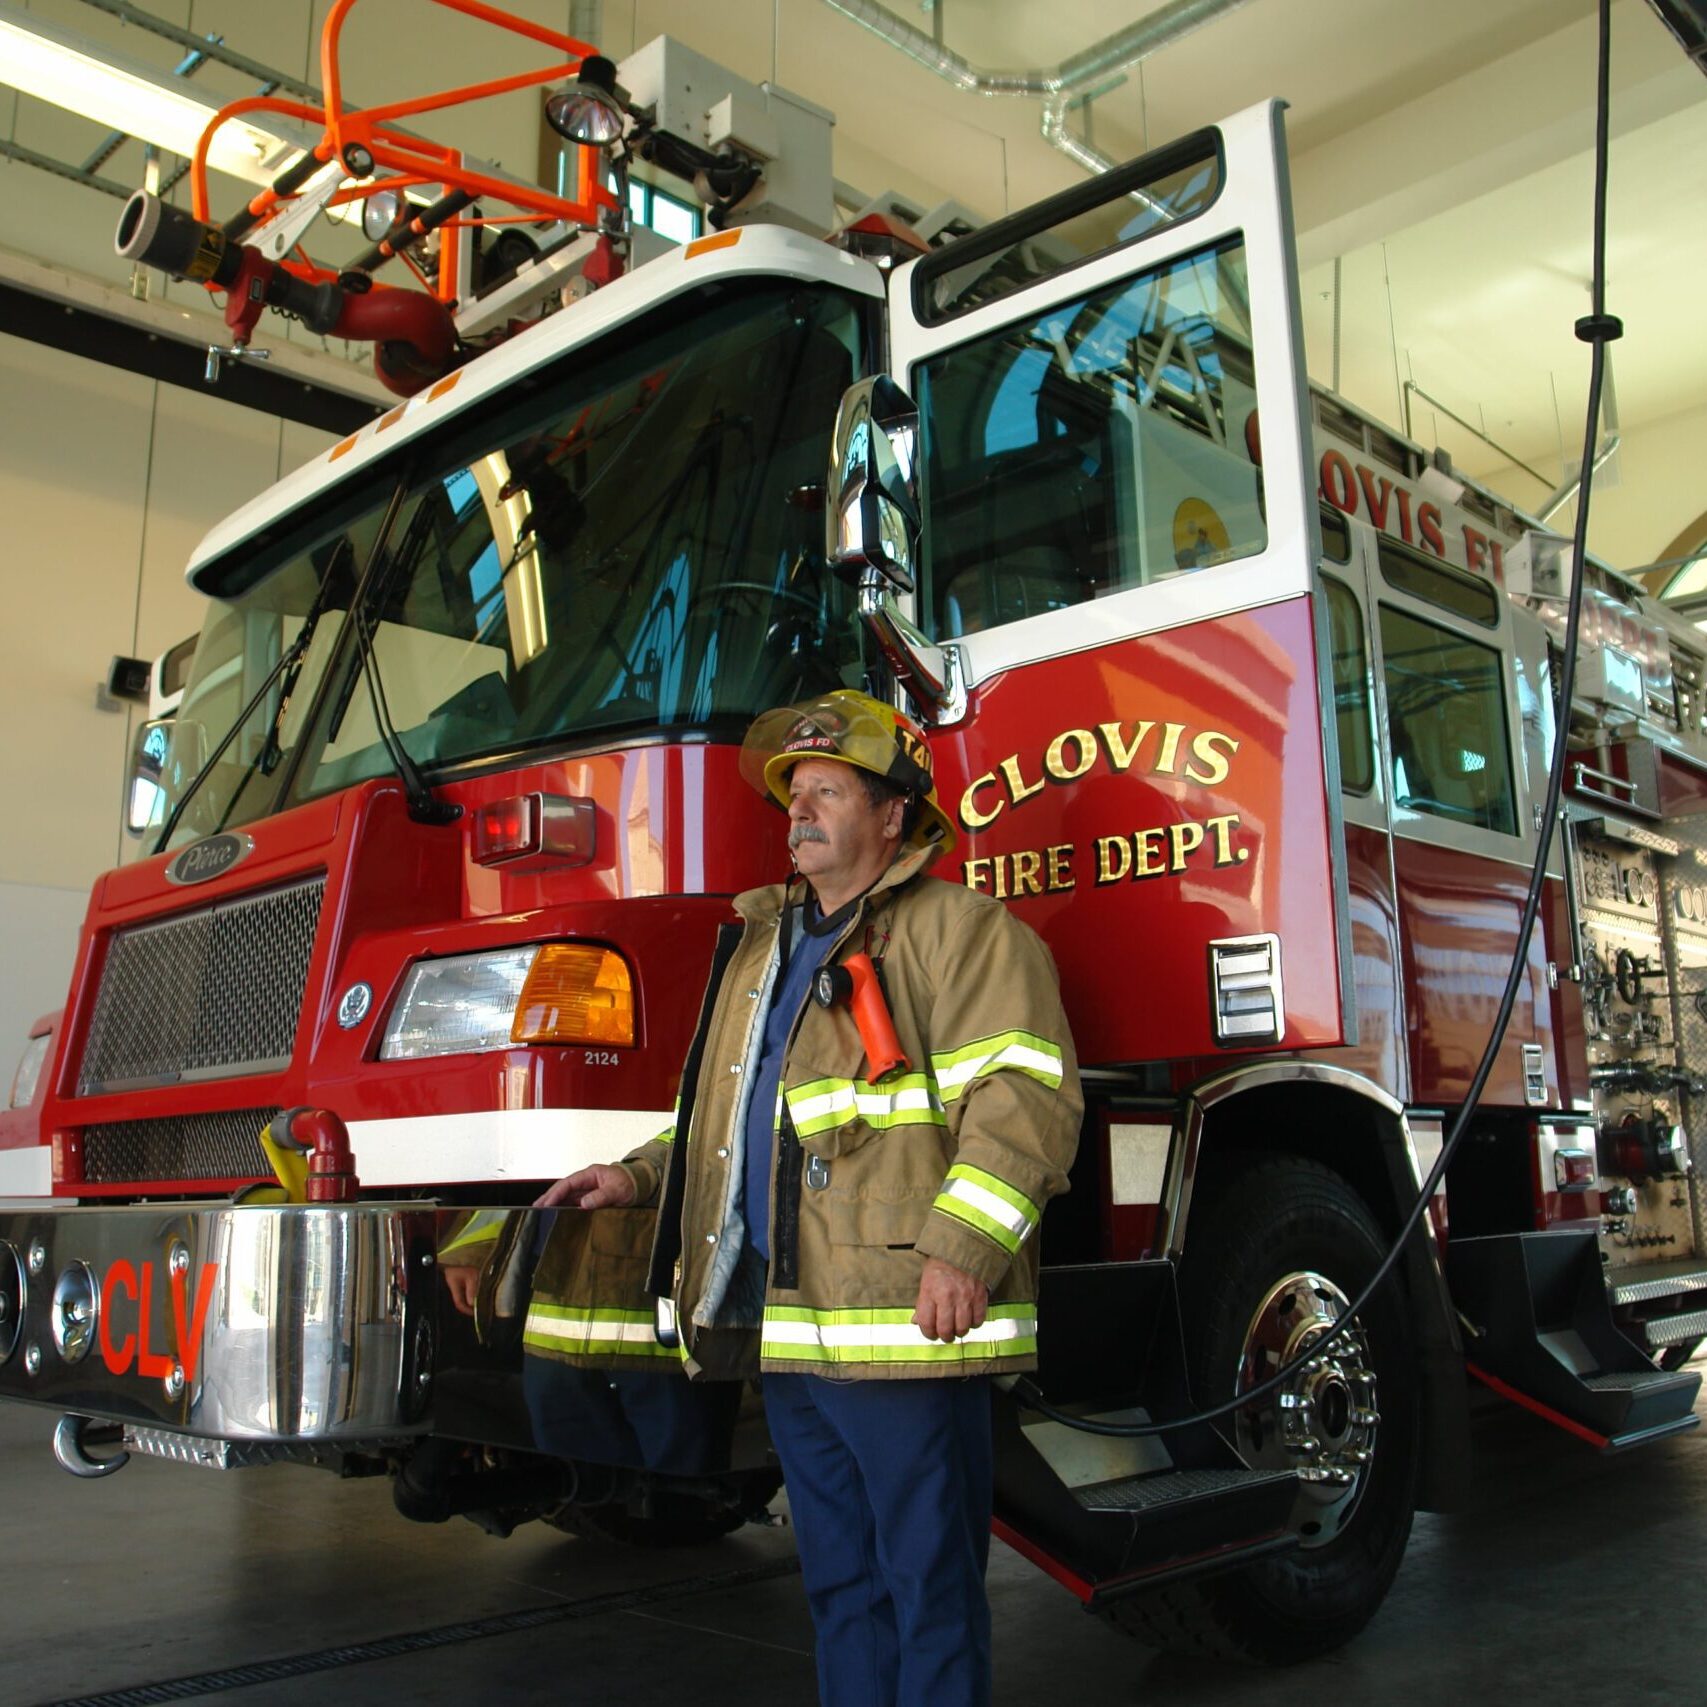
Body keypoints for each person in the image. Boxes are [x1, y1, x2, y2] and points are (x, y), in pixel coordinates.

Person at [540, 688, 1081, 1707]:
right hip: (791, 1327)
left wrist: (963, 1251)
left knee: (926, 1586)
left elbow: (1026, 1103)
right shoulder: (765, 947)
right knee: (838, 1585)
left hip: (900, 1327)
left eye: (829, 791)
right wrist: (640, 1175)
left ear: (894, 817)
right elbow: (726, 1117)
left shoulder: (965, 933)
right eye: (795, 795)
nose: (801, 810)